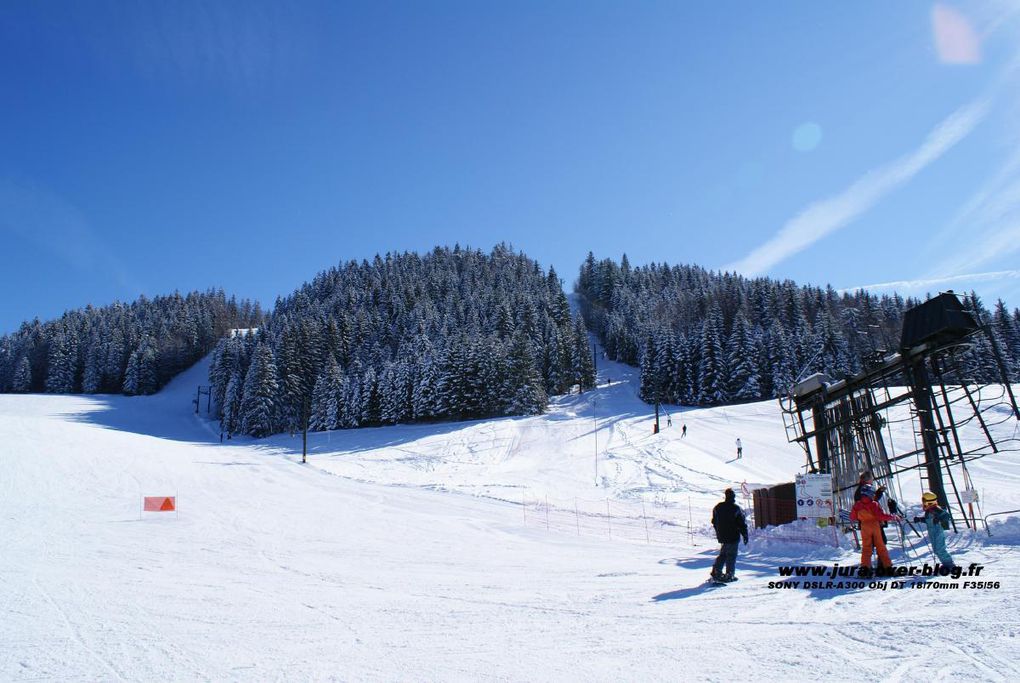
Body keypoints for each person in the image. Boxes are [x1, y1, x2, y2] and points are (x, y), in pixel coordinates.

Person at [849, 484, 898, 576]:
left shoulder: (857, 504)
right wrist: (892, 517)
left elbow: (852, 517)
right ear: (870, 494)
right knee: (881, 547)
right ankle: (888, 567)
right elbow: (880, 516)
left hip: (864, 526)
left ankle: (865, 569)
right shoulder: (873, 504)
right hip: (875, 526)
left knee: (866, 547)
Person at [710, 488, 748, 583]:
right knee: (731, 555)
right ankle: (729, 574)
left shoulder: (718, 507)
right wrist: (745, 534)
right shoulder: (735, 508)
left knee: (723, 554)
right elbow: (741, 523)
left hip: (722, 536)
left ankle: (716, 571)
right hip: (733, 536)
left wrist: (718, 531)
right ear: (733, 497)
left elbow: (714, 521)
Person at [913, 492, 955, 569]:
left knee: (940, 549)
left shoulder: (936, 509)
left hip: (938, 531)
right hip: (932, 532)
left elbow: (946, 515)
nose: (923, 504)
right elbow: (928, 520)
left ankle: (950, 565)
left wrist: (939, 518)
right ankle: (946, 563)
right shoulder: (929, 510)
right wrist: (920, 519)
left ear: (928, 502)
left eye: (924, 501)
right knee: (936, 550)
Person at [854, 471, 888, 543]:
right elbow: (870, 502)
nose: (872, 480)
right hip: (870, 520)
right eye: (871, 478)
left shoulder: (864, 488)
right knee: (878, 542)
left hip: (868, 520)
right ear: (867, 479)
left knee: (875, 543)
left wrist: (879, 491)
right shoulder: (865, 489)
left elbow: (872, 499)